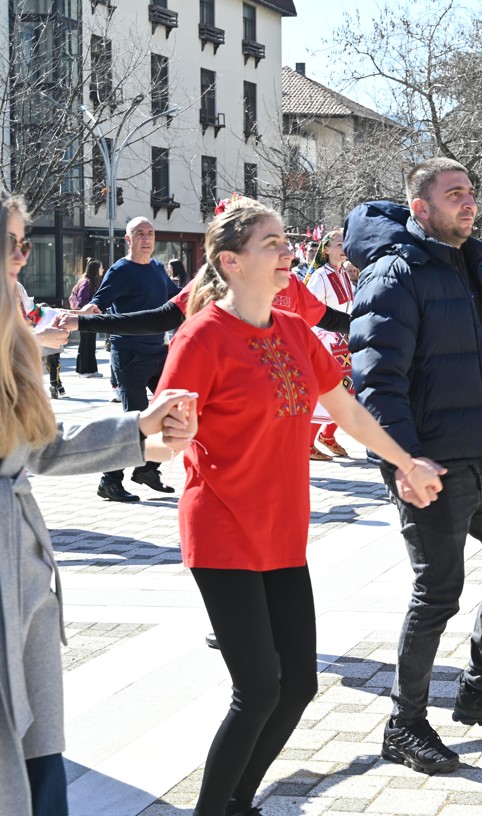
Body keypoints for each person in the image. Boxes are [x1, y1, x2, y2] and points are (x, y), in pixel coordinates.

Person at [157, 197, 424, 814]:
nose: (287, 253)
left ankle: (237, 803)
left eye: (286, 241)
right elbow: (159, 432)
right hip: (223, 527)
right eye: (272, 243)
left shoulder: (295, 331)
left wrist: (406, 462)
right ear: (231, 262)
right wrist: (162, 438)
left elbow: (348, 411)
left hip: (281, 531)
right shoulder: (201, 337)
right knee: (257, 689)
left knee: (298, 685)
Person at [346, 158, 482, 774]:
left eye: (471, 192)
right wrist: (404, 461)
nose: (469, 203)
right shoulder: (393, 274)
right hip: (429, 464)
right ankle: (405, 724)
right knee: (438, 592)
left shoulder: (469, 265)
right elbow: (377, 382)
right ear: (421, 208)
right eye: (454, 194)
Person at [2, 190, 195, 816]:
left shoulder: (12, 333)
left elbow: (40, 448)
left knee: (40, 753)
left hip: (27, 572)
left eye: (25, 243)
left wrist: (141, 432)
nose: (24, 257)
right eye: (15, 244)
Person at [88, 216, 180, 501]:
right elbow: (98, 303)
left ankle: (147, 469)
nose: (146, 238)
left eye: (150, 233)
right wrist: (83, 314)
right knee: (136, 420)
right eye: (139, 233)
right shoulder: (120, 271)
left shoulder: (157, 268)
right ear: (128, 239)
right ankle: (109, 481)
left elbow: (177, 298)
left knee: (178, 409)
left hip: (158, 352)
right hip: (129, 354)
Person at [304, 229, 354, 460]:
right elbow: (311, 309)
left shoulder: (343, 274)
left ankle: (328, 435)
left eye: (345, 244)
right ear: (326, 249)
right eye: (338, 244)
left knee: (349, 390)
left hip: (344, 339)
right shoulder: (320, 276)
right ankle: (308, 443)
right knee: (328, 391)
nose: (343, 249)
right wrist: (323, 335)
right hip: (326, 340)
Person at [68, 259, 104, 378]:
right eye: (101, 267)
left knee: (90, 343)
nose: (103, 270)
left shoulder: (92, 282)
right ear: (96, 269)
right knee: (85, 343)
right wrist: (91, 308)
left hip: (90, 317)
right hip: (85, 317)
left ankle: (91, 370)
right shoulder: (86, 282)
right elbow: (82, 301)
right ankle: (83, 371)